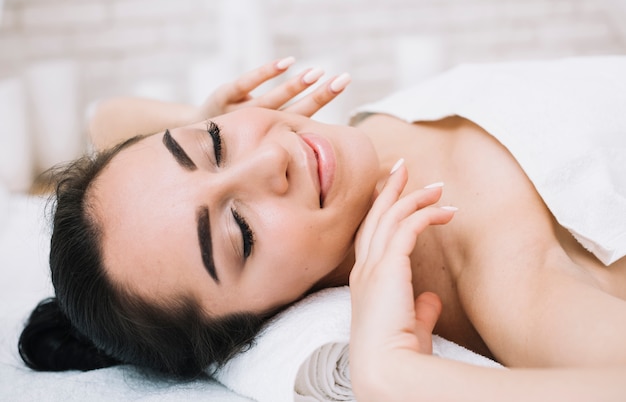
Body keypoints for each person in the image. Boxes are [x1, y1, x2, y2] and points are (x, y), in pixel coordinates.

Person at [19, 56, 626, 400]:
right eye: (241, 232)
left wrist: (204, 119)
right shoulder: (508, 274)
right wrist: (396, 375)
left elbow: (106, 120)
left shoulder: (338, 160)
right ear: (268, 318)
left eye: (210, 146)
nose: (269, 161)